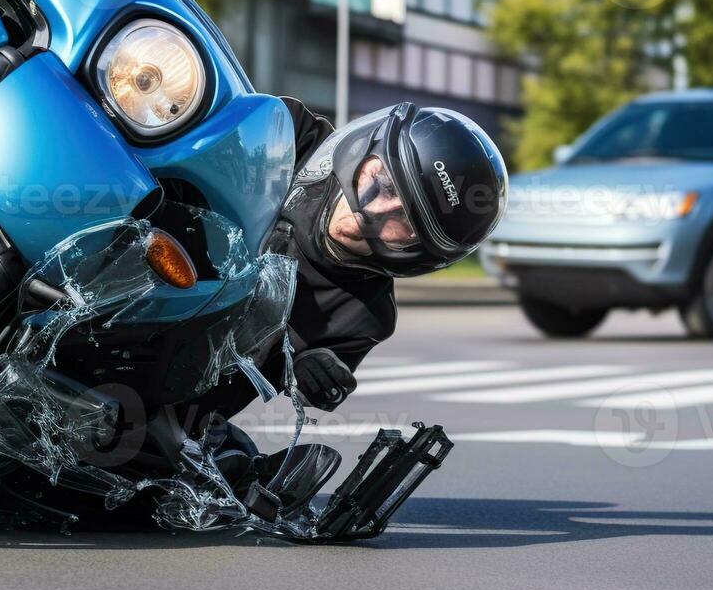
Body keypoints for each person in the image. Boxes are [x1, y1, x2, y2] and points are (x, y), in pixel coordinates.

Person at [192, 97, 509, 484]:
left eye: (403, 221)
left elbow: (317, 387)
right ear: (365, 150)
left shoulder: (362, 316)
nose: (373, 211)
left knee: (191, 479)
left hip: (165, 400)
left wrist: (312, 368)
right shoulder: (286, 133)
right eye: (383, 184)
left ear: (416, 252)